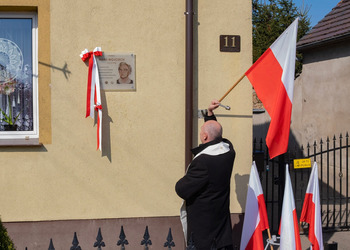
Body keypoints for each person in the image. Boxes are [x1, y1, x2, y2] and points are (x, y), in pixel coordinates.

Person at [175, 100, 236, 250]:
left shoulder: (203, 162)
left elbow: (182, 189)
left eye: (202, 131)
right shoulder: (229, 152)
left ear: (204, 137)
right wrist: (210, 114)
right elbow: (217, 137)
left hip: (205, 234)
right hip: (221, 229)